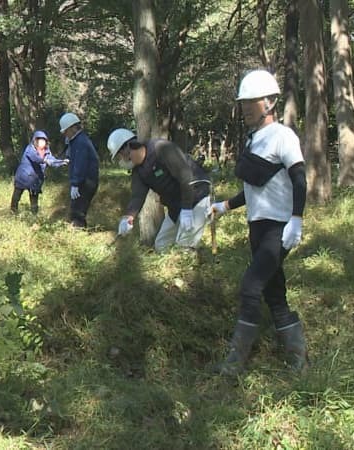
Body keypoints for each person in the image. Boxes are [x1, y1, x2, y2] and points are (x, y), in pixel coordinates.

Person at [209, 69, 309, 375]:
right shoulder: (254, 140)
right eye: (243, 102)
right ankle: (299, 362)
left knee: (251, 286)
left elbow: (299, 177)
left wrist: (296, 219)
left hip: (279, 227)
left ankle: (234, 363)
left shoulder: (282, 136)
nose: (246, 108)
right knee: (274, 293)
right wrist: (225, 205)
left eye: (252, 101)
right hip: (258, 226)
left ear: (269, 102)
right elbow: (256, 189)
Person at [107, 127, 211, 252]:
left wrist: (187, 209)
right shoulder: (138, 171)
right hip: (176, 205)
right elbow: (137, 197)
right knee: (162, 245)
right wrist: (128, 217)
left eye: (120, 156)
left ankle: (193, 264)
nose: (121, 160)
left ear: (128, 148)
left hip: (196, 195)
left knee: (186, 246)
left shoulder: (161, 148)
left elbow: (186, 177)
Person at [11, 130, 68, 215]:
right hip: (23, 177)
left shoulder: (46, 151)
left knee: (34, 197)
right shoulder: (30, 149)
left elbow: (52, 160)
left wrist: (62, 162)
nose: (42, 143)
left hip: (35, 179)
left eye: (43, 141)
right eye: (40, 140)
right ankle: (13, 211)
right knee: (17, 194)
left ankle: (34, 214)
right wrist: (44, 160)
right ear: (35, 141)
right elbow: (35, 158)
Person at [60, 113, 100, 228]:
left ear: (73, 128)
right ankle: (78, 230)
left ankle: (78, 232)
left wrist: (75, 183)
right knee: (76, 208)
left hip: (85, 181)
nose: (64, 134)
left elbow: (80, 164)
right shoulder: (77, 140)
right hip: (84, 180)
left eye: (66, 131)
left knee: (78, 211)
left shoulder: (80, 142)